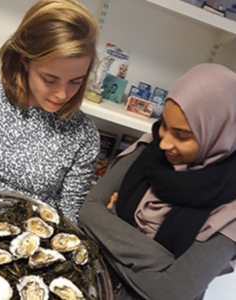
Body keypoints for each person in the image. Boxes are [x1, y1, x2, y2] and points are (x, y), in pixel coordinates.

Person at [0, 0, 100, 298]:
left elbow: (68, 217)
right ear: (24, 60)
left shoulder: (84, 135)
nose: (62, 94)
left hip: (26, 273)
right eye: (49, 79)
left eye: (76, 81)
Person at [79, 63, 236, 300]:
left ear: (219, 133)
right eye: (164, 125)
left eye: (182, 135)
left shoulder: (231, 207)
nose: (163, 143)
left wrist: (106, 235)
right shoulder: (148, 149)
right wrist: (165, 264)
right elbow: (89, 211)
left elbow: (172, 292)